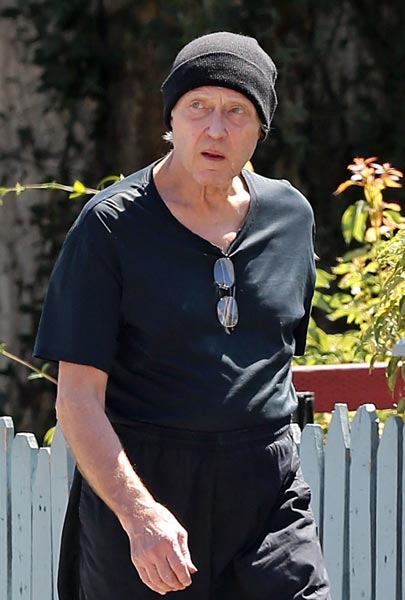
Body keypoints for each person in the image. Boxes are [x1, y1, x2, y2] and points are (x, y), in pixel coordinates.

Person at [34, 31, 330, 600]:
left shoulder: (291, 217)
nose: (215, 129)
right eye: (199, 106)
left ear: (260, 128)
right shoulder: (110, 227)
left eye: (236, 112)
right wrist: (139, 514)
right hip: (147, 491)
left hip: (267, 496)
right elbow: (76, 399)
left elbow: (278, 360)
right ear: (171, 115)